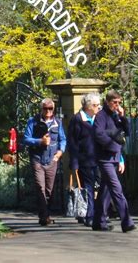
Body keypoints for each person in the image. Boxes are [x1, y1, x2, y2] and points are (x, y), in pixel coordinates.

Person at [92, 89, 136, 233]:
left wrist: (123, 117)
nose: (117, 105)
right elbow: (98, 134)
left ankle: (99, 221)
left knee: (105, 190)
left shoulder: (116, 116)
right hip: (105, 158)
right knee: (116, 188)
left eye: (119, 103)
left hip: (115, 158)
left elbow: (127, 132)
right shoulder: (101, 116)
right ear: (107, 102)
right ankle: (126, 221)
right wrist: (112, 145)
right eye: (114, 102)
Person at [23, 98, 66, 226]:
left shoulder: (57, 122)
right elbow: (26, 139)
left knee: (49, 190)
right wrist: (39, 142)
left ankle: (46, 215)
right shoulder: (33, 121)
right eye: (45, 108)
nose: (48, 111)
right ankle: (44, 217)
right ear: (41, 109)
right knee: (40, 188)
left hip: (52, 160)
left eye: (50, 108)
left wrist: (60, 152)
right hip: (37, 159)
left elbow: (63, 139)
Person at [67, 92, 101, 227]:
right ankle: (90, 216)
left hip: (97, 159)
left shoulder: (98, 118)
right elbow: (73, 142)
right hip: (84, 160)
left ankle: (86, 214)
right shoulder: (77, 119)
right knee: (88, 188)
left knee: (94, 187)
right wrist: (74, 162)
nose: (98, 107)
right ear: (88, 106)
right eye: (95, 105)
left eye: (99, 105)